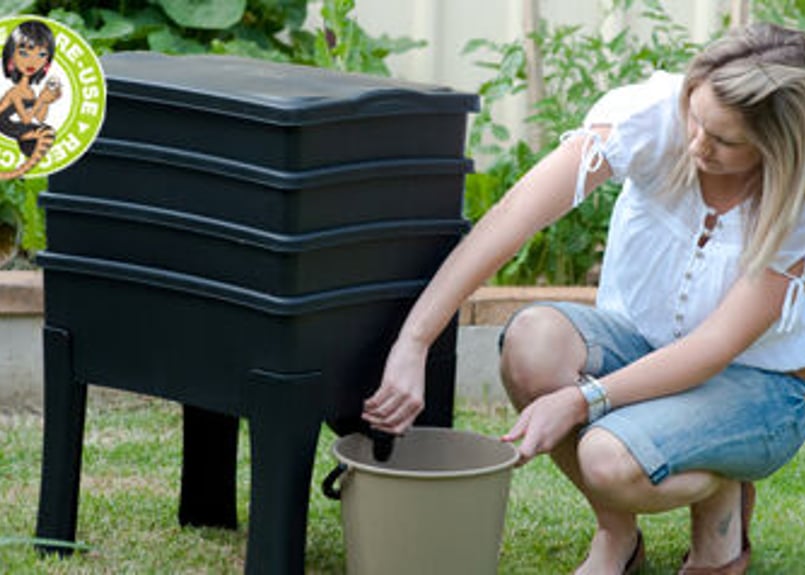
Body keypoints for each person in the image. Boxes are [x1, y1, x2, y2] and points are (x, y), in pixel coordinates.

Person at [362, 21, 805, 575]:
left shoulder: (799, 198)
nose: (697, 144)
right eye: (696, 116)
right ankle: (616, 539)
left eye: (726, 140)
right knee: (532, 343)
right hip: (639, 344)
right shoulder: (650, 114)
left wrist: (580, 401)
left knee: (607, 459)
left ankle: (720, 498)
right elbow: (517, 214)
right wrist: (416, 338)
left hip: (754, 387)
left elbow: (715, 346)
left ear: (779, 144)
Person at [0, 20, 61, 178]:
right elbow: (26, 120)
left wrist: (47, 101)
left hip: (21, 129)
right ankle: (19, 171)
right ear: (11, 56)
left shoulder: (30, 91)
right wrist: (41, 100)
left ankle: (24, 168)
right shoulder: (15, 91)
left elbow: (38, 118)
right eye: (24, 53)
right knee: (46, 131)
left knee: (48, 130)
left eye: (41, 54)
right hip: (7, 125)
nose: (32, 61)